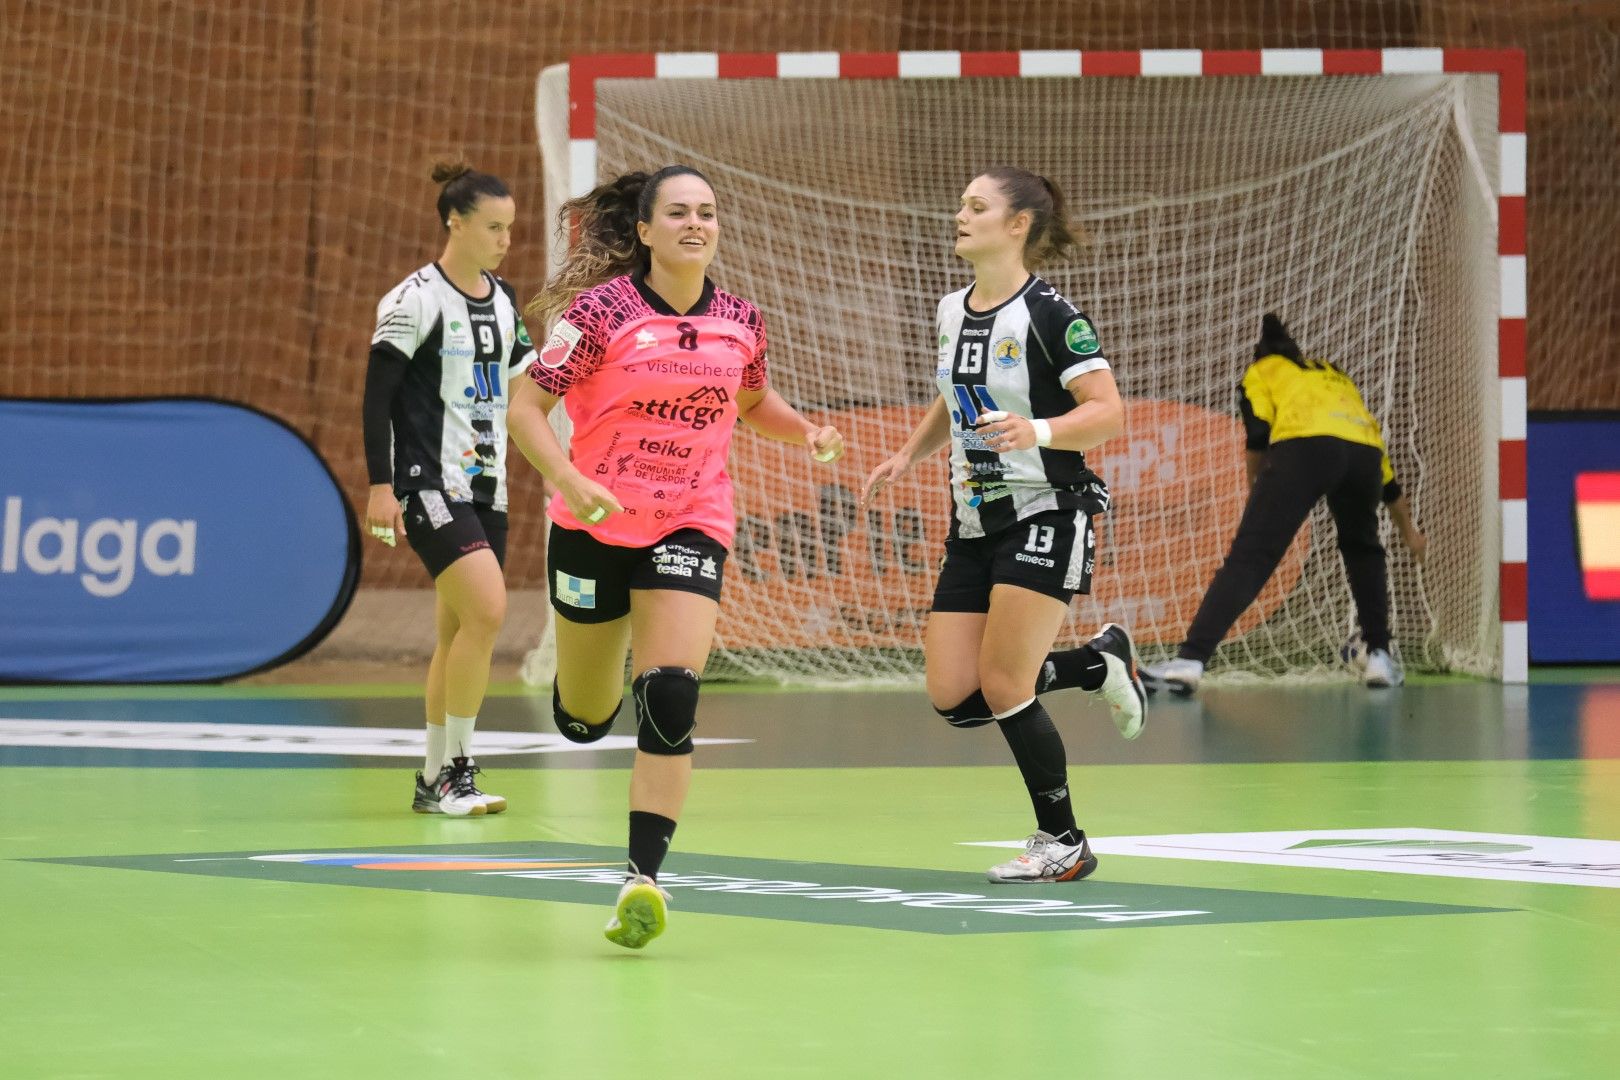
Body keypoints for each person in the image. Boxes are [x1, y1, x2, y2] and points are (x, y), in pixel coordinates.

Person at [508, 165, 844, 949]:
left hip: (689, 520)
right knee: (587, 719)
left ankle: (642, 879)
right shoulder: (599, 314)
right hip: (591, 525)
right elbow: (527, 406)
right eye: (679, 213)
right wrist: (566, 475)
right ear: (647, 231)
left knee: (669, 696)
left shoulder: (741, 320)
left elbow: (754, 403)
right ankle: (585, 692)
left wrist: (807, 432)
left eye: (708, 213)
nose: (696, 223)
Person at [862, 166, 1146, 886]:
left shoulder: (1051, 314)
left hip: (1048, 507)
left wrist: (1040, 429)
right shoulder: (951, 307)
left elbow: (1108, 410)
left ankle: (1063, 842)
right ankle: (1095, 663)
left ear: (1017, 224)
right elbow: (952, 396)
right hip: (974, 519)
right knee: (957, 697)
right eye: (960, 203)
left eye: (976, 206)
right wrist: (906, 453)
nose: (960, 215)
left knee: (1005, 680)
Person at [362, 161, 534, 817]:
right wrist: (382, 486)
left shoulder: (506, 299)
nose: (503, 240)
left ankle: (431, 777)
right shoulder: (413, 301)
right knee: (488, 610)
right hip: (426, 481)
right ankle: (458, 772)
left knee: (458, 629)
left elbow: (525, 388)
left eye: (510, 229)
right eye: (493, 227)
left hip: (487, 485)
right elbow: (376, 399)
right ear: (454, 223)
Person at [1142, 313, 1428, 694]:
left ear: (1259, 354)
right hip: (1365, 457)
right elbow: (1385, 475)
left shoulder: (1263, 370)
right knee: (1364, 549)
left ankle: (1189, 661)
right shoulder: (1333, 374)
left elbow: (1258, 433)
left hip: (1306, 450)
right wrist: (1409, 531)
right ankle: (1379, 655)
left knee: (1251, 556)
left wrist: (1254, 491)